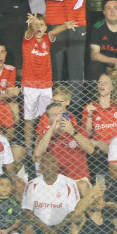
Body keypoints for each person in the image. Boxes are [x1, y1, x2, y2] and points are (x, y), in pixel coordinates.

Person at [21, 14, 76, 149]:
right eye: (36, 25)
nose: (38, 27)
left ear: (45, 28)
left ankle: (49, 147)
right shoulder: (28, 39)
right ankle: (29, 150)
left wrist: (65, 26)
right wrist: (30, 25)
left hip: (46, 85)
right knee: (30, 119)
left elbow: (53, 32)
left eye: (41, 25)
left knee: (48, 117)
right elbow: (29, 31)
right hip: (30, 85)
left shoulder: (47, 38)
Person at [21, 152, 80, 234]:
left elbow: (74, 211)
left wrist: (58, 228)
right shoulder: (32, 184)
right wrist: (46, 228)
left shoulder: (69, 184)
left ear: (57, 166)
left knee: (74, 225)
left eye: (52, 163)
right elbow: (26, 211)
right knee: (27, 227)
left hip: (63, 226)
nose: (48, 166)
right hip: (40, 227)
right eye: (45, 163)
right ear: (40, 168)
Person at [33, 102, 94, 196]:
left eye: (61, 113)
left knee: (82, 185)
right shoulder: (46, 137)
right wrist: (52, 129)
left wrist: (72, 131)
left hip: (79, 179)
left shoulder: (78, 130)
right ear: (48, 119)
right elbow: (37, 155)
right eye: (54, 115)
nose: (59, 117)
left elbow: (91, 149)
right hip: (57, 180)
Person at [83, 74, 117, 177]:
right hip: (99, 151)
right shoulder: (90, 107)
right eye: (99, 82)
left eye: (105, 82)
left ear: (112, 87)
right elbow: (87, 133)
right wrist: (89, 115)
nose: (101, 85)